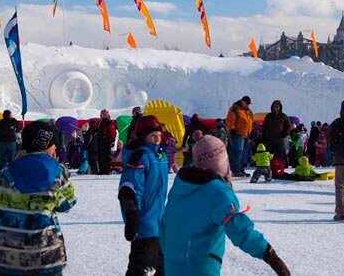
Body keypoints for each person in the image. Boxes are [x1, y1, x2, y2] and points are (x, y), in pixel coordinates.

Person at [162, 135, 289, 276]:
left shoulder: (181, 185)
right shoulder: (218, 191)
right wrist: (270, 255)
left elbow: (165, 224)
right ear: (222, 161)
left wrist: (162, 257)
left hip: (172, 266)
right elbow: (240, 230)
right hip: (201, 267)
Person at [0, 121, 76, 275]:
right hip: (44, 256)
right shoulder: (57, 171)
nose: (56, 148)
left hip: (8, 257)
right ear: (46, 144)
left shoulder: (6, 172)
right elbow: (68, 203)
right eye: (54, 144)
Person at [118, 116, 170, 275]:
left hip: (160, 225)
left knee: (164, 268)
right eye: (153, 136)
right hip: (145, 226)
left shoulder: (160, 157)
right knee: (140, 269)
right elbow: (129, 189)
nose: (157, 139)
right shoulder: (140, 157)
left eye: (159, 136)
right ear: (143, 137)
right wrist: (132, 216)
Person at [226, 96, 255, 176]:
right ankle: (235, 170)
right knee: (237, 152)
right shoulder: (235, 109)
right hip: (237, 134)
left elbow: (251, 122)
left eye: (249, 104)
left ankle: (240, 170)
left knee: (242, 154)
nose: (248, 105)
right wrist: (232, 131)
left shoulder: (249, 111)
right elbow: (230, 120)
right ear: (242, 102)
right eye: (246, 103)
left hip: (246, 135)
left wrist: (252, 131)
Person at [97, 110, 117, 175]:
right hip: (101, 142)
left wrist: (110, 140)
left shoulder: (109, 122)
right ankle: (102, 170)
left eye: (101, 114)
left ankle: (106, 171)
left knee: (106, 157)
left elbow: (112, 133)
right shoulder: (101, 122)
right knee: (101, 157)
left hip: (106, 142)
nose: (100, 115)